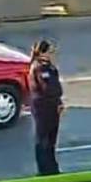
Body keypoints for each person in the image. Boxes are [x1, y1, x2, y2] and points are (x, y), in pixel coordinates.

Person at [29, 39, 64, 175]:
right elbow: (48, 88)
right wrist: (57, 101)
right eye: (51, 51)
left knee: (51, 139)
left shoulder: (48, 66)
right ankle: (45, 169)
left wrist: (59, 102)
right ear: (43, 53)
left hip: (51, 105)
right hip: (44, 107)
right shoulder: (40, 68)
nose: (53, 54)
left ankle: (52, 167)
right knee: (44, 139)